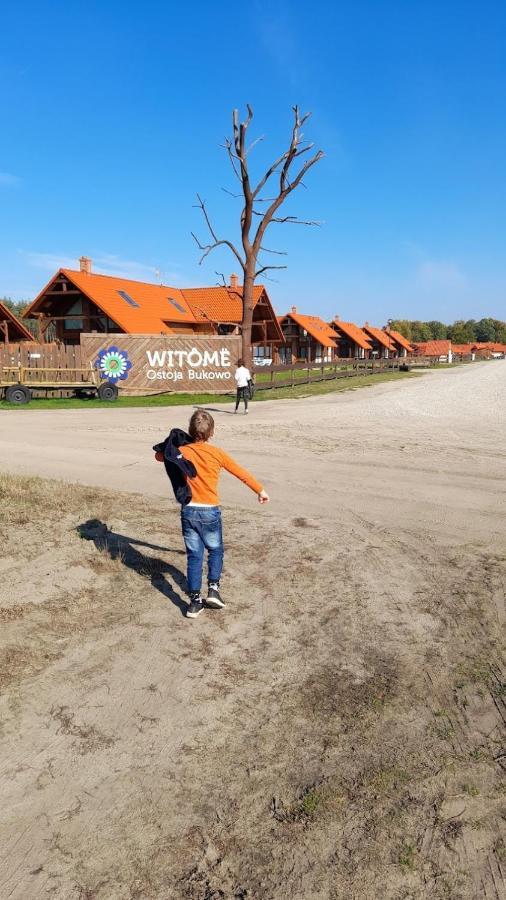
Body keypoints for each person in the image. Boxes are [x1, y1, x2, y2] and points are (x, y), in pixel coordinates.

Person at [156, 409, 269, 619]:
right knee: (215, 550)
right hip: (210, 511)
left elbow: (159, 456)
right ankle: (214, 589)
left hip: (189, 511)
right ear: (212, 432)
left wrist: (175, 443)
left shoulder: (182, 451)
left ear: (190, 430)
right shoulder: (217, 453)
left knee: (194, 555)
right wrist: (260, 490)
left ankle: (194, 602)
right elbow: (240, 473)